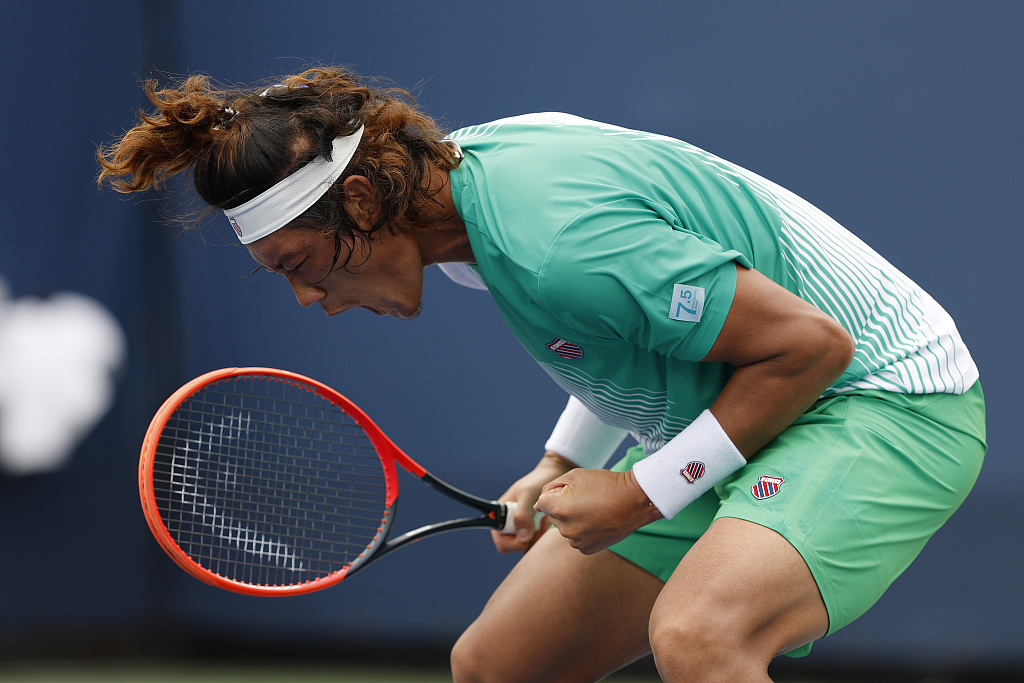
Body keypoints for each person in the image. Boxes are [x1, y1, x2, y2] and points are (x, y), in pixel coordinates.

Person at [98, 66, 986, 682]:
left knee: (702, 636)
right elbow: (606, 330)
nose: (305, 298)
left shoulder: (558, 241)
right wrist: (563, 461)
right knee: (497, 665)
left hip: (883, 401)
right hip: (738, 412)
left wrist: (640, 493)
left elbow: (812, 347)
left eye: (300, 263)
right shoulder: (456, 185)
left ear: (361, 203)